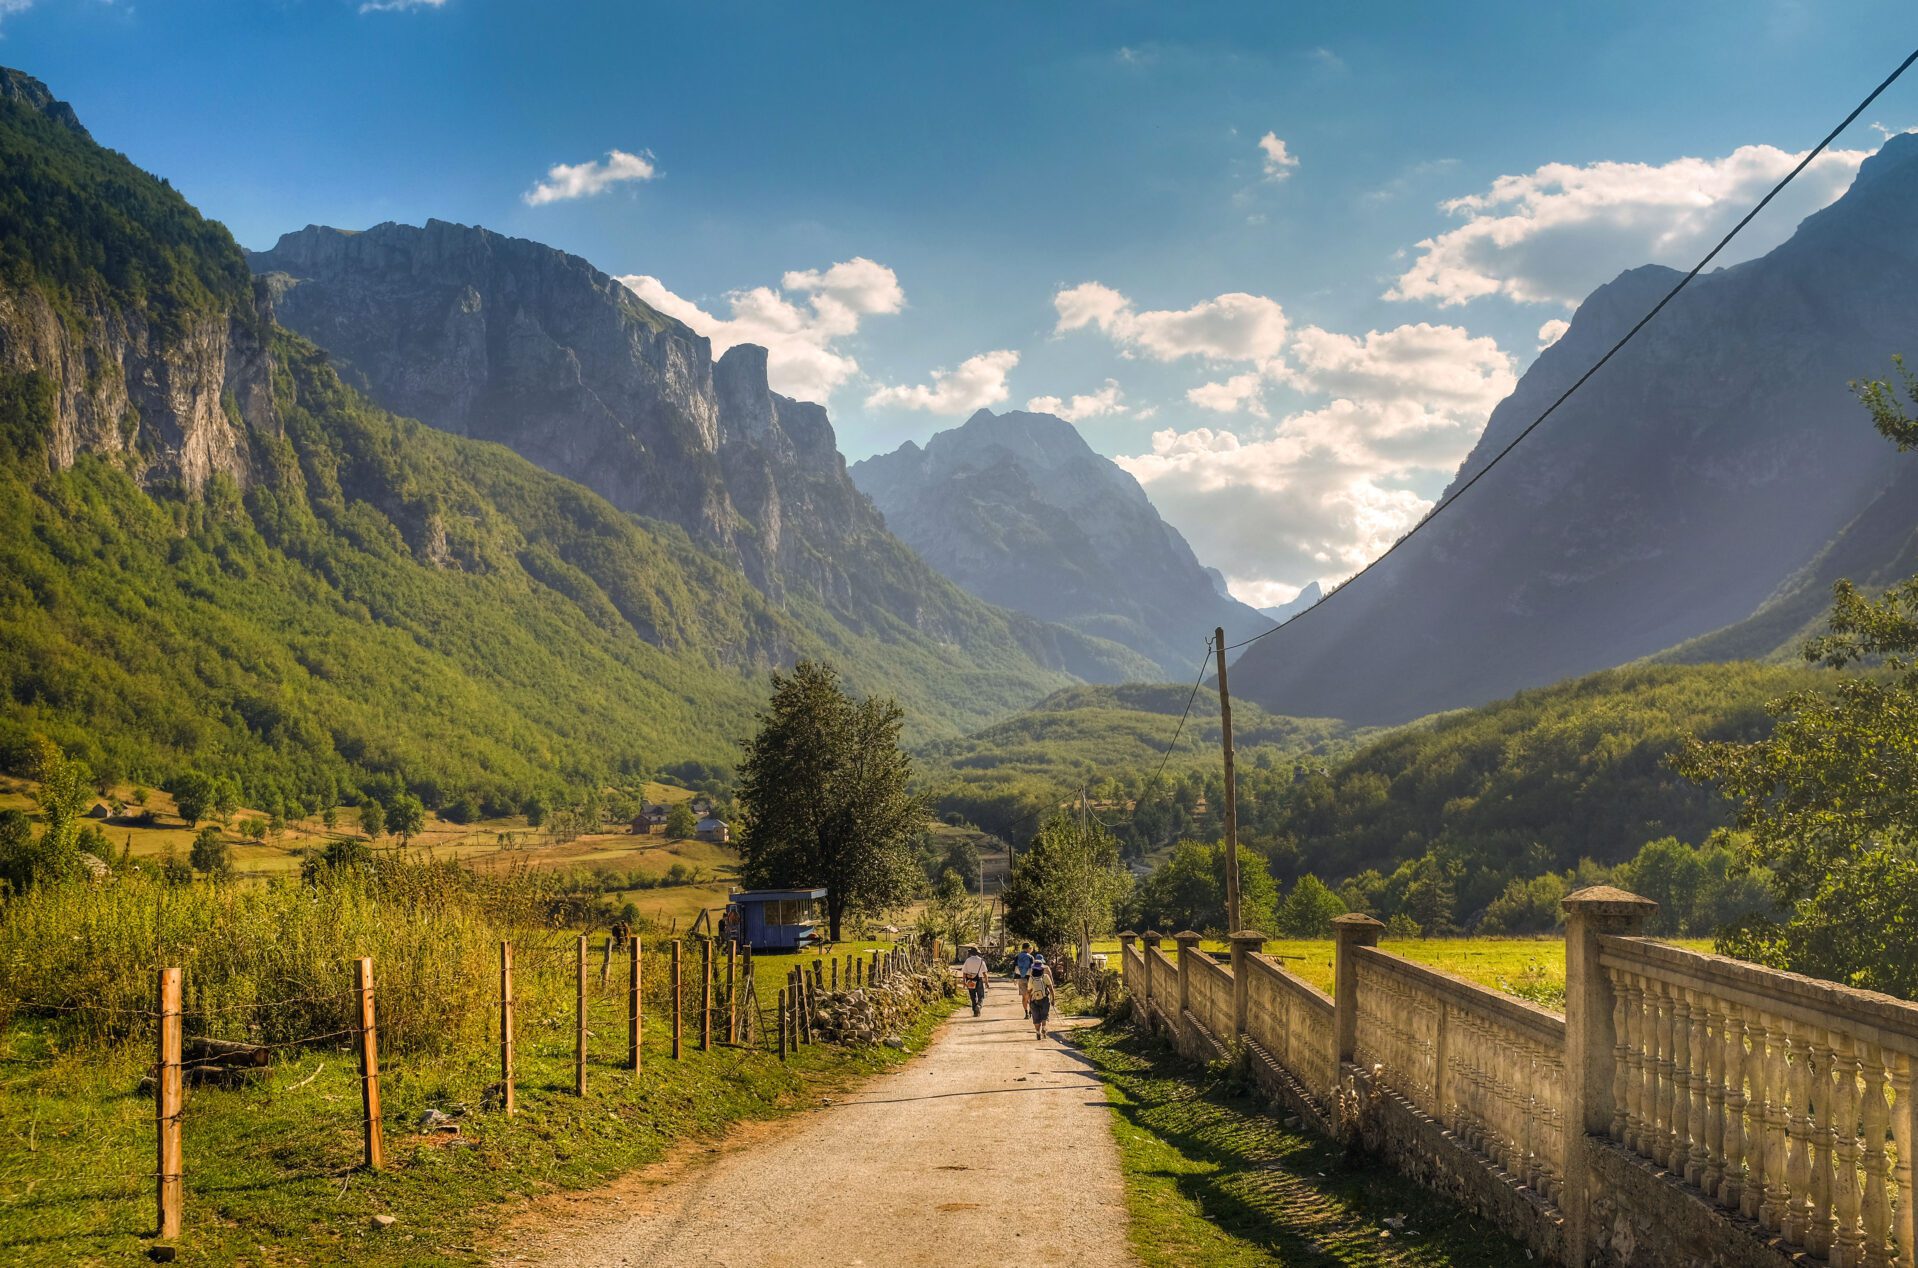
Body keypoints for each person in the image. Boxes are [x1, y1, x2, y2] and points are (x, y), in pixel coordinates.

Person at [1027, 954, 1055, 1040]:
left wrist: (1029, 1000)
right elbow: (1051, 988)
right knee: (1044, 1015)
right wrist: (1053, 999)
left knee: (1036, 1017)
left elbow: (1029, 990)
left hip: (1034, 1000)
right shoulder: (1045, 977)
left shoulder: (1031, 978)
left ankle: (1037, 1032)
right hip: (1044, 999)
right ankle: (1043, 1028)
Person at [960, 945, 989, 1016]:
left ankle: (975, 1012)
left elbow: (964, 972)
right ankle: (979, 1006)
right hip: (979, 980)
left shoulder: (967, 960)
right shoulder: (981, 961)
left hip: (970, 981)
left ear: (970, 953)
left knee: (973, 997)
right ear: (977, 953)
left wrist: (964, 982)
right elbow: (985, 973)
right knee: (981, 996)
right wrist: (986, 982)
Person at [1013, 943, 1034, 1018]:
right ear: (1028, 948)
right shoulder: (1030, 957)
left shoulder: (1017, 956)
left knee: (1024, 996)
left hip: (1020, 978)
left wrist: (1015, 978)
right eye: (1031, 948)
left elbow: (1015, 968)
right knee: (1031, 995)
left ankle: (1026, 1013)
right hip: (1029, 978)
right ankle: (1031, 1011)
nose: (1031, 950)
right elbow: (1032, 969)